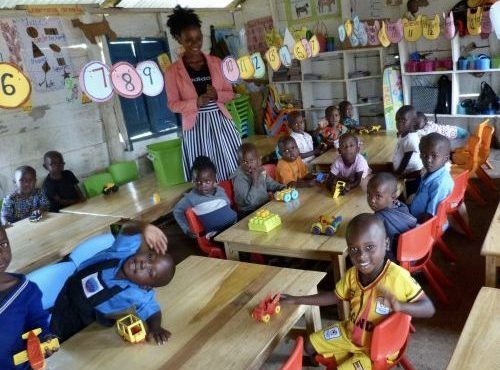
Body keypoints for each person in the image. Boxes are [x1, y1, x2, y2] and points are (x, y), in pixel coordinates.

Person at [281, 214, 435, 369]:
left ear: (386, 243)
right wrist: (296, 299)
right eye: (354, 249)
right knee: (308, 345)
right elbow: (334, 296)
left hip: (376, 351)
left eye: (369, 247)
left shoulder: (398, 277)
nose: (361, 256)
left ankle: (338, 361)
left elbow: (428, 308)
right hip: (350, 333)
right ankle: (332, 360)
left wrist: (401, 306)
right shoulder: (352, 274)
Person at [50, 221, 174, 344]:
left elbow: (153, 310)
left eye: (150, 272)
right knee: (55, 324)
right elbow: (128, 229)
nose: (144, 264)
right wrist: (143, 227)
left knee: (65, 340)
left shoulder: (138, 293)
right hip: (69, 289)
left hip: (83, 318)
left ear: (145, 286)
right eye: (150, 257)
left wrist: (155, 328)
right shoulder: (122, 251)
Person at [165, 6, 241, 182]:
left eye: (198, 38)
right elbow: (173, 104)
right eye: (189, 40)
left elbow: (230, 94)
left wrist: (217, 95)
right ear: (178, 39)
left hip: (221, 122)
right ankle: (213, 205)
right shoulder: (172, 71)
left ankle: (237, 202)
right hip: (195, 126)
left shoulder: (216, 62)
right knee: (205, 175)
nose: (195, 44)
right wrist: (195, 102)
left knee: (232, 164)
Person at [0, 226, 58, 369]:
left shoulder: (26, 291)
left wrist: (45, 340)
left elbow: (38, 325)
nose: (0, 253)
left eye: (3, 244)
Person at [173, 156, 237, 238]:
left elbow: (227, 204)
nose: (203, 185)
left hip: (235, 223)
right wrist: (186, 229)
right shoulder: (191, 197)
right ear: (193, 180)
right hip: (217, 233)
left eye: (207, 181)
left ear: (214, 179)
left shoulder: (220, 190)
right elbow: (177, 211)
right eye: (198, 182)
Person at [367, 173, 417, 261]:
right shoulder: (401, 205)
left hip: (396, 259)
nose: (372, 200)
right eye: (369, 194)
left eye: (378, 196)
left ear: (393, 196)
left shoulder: (378, 219)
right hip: (415, 250)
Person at [410, 133, 454, 223]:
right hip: (415, 215)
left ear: (445, 159)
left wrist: (415, 227)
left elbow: (431, 216)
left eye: (434, 156)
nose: (428, 160)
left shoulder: (440, 184)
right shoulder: (429, 172)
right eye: (424, 155)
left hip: (422, 224)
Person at [232, 143, 284, 216]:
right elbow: (250, 202)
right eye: (244, 162)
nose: (249, 165)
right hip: (249, 212)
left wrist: (284, 187)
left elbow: (271, 184)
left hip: (264, 206)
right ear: (239, 163)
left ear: (258, 159)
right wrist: (255, 181)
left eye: (252, 161)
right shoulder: (239, 178)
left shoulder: (259, 169)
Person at [391, 105, 423, 196]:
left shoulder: (411, 138)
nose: (399, 123)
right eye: (397, 120)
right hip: (407, 173)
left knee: (412, 195)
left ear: (413, 122)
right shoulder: (404, 133)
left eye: (403, 121)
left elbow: (406, 158)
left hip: (413, 175)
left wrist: (398, 174)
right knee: (406, 192)